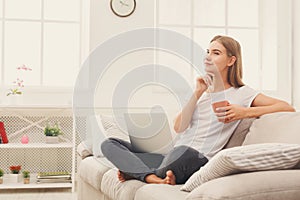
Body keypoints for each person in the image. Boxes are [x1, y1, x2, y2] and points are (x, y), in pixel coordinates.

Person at [101, 35, 295, 185]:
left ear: (231, 60)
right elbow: (179, 127)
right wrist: (198, 92)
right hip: (172, 156)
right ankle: (153, 177)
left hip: (197, 158)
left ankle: (136, 172)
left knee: (184, 152)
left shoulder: (242, 93)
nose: (208, 56)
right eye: (208, 51)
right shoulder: (200, 91)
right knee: (110, 143)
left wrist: (244, 112)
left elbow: (287, 107)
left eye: (216, 53)